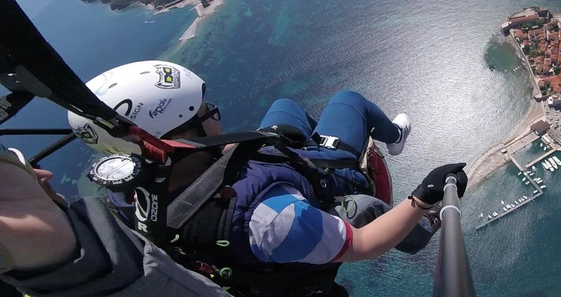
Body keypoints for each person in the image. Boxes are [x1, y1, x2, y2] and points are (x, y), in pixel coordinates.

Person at [4, 60, 468, 296]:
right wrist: (424, 197)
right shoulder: (272, 217)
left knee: (287, 107)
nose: (216, 115)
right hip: (326, 186)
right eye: (207, 111)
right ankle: (417, 210)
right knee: (352, 104)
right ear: (176, 135)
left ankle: (323, 144)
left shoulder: (129, 202)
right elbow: (365, 246)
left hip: (268, 169)